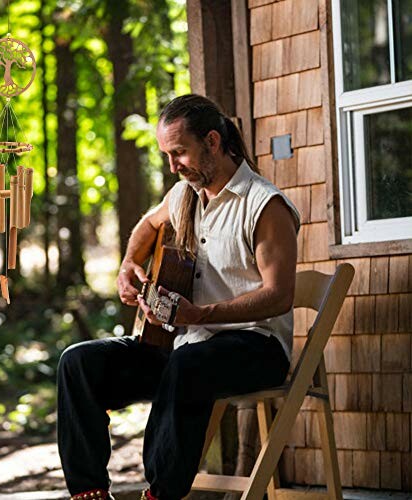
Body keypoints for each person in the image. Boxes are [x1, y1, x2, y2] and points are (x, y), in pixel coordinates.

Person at [57, 94, 300, 500]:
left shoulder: (265, 205)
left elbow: (279, 296)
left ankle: (160, 495)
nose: (173, 166)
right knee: (78, 362)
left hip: (255, 348)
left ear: (212, 142)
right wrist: (128, 266)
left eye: (179, 153)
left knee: (189, 362)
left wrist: (198, 314)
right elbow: (148, 225)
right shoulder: (183, 194)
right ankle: (89, 493)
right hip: (185, 349)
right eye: (167, 155)